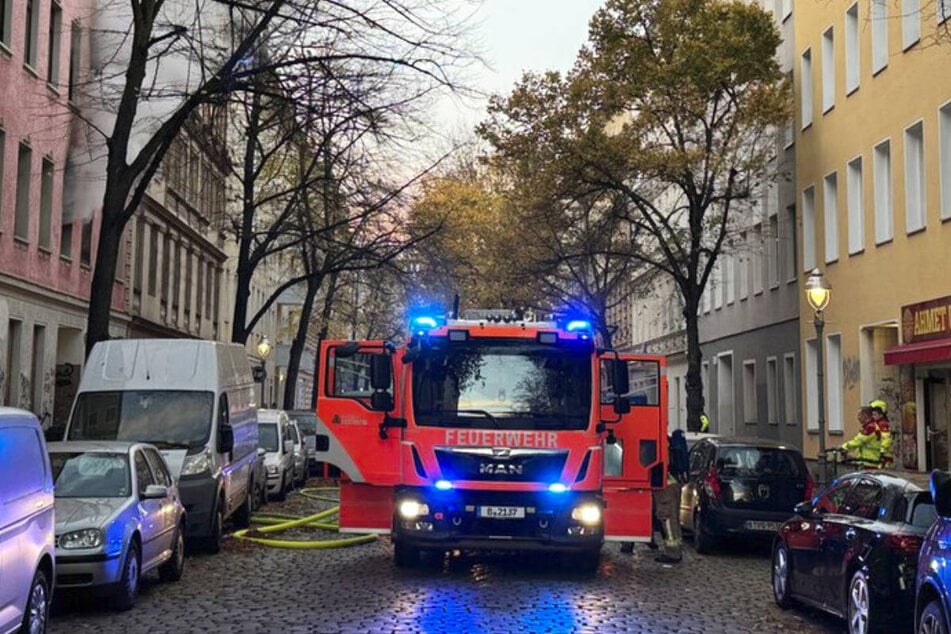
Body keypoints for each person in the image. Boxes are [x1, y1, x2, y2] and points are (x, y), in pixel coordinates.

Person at [653, 429, 687, 563]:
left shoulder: (662, 441)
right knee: (672, 518)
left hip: (666, 485)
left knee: (666, 517)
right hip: (672, 483)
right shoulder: (667, 440)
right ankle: (675, 550)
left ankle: (673, 553)